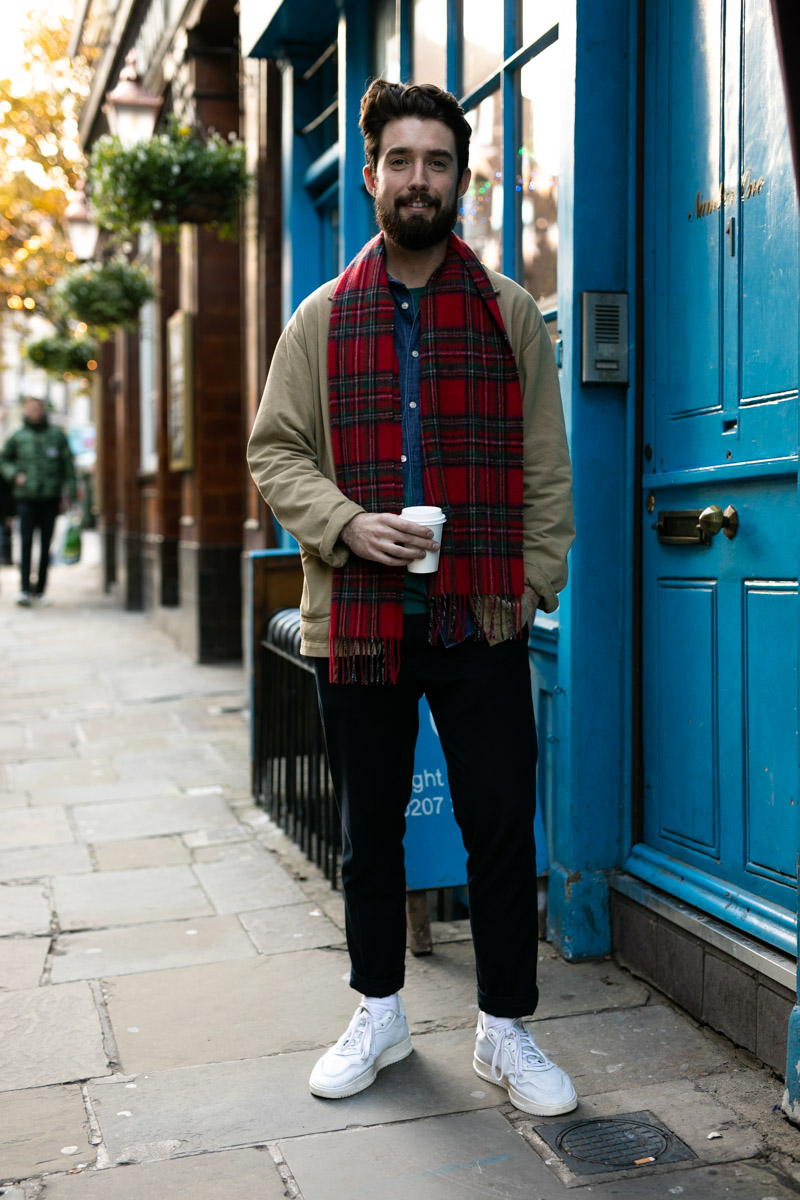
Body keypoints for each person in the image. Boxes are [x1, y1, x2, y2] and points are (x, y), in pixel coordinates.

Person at [247, 79, 576, 1116]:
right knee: (371, 829)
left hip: (477, 613)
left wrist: (530, 583)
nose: (417, 178)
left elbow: (544, 467)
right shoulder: (320, 319)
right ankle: (379, 1014)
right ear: (372, 174)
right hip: (357, 617)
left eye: (436, 161)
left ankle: (503, 1030)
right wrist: (345, 522)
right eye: (400, 160)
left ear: (458, 177)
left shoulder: (506, 311)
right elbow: (273, 448)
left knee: (496, 824)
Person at [0, 396, 76, 606]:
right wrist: (14, 474)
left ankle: (41, 590)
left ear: (44, 411)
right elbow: (3, 460)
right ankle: (24, 589)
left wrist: (71, 492)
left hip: (50, 498)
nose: (36, 412)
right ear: (25, 411)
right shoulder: (18, 436)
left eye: (39, 408)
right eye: (32, 409)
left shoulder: (56, 436)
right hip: (25, 499)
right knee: (25, 543)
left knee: (45, 545)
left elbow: (68, 466)